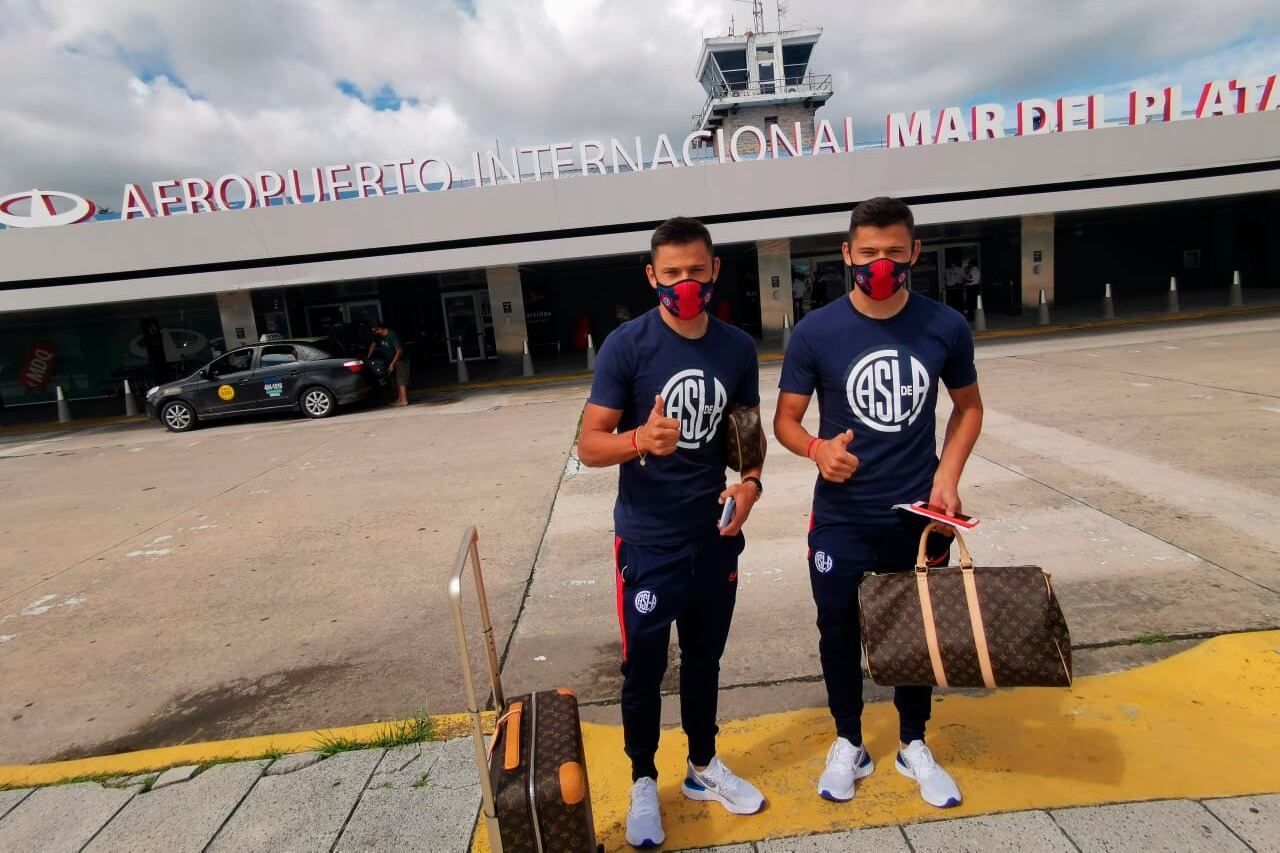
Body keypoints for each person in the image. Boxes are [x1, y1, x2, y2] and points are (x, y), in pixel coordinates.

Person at [773, 197, 984, 809]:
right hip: (841, 516)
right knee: (836, 629)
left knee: (916, 632)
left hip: (918, 516)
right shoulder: (816, 332)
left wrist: (948, 475)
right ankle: (849, 740)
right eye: (869, 253)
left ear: (915, 253)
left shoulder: (944, 325)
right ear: (846, 256)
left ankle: (913, 740)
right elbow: (786, 420)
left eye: (894, 252)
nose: (881, 263)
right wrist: (816, 450)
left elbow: (969, 408)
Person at [578, 216, 767, 848]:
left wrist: (751, 484)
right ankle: (641, 780)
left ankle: (702, 766)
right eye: (672, 273)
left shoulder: (737, 348)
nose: (685, 283)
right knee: (644, 669)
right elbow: (588, 445)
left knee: (705, 660)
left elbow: (746, 435)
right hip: (649, 540)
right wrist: (638, 440)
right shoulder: (626, 346)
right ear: (652, 276)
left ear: (714, 271)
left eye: (696, 270)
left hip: (713, 536)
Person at [367, 324, 408, 406]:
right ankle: (399, 399)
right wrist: (368, 357)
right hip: (391, 360)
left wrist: (393, 363)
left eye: (375, 331)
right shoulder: (379, 336)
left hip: (401, 359)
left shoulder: (392, 335)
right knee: (396, 380)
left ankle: (404, 400)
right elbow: (373, 344)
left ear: (381, 328)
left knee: (401, 379)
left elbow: (399, 351)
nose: (375, 333)